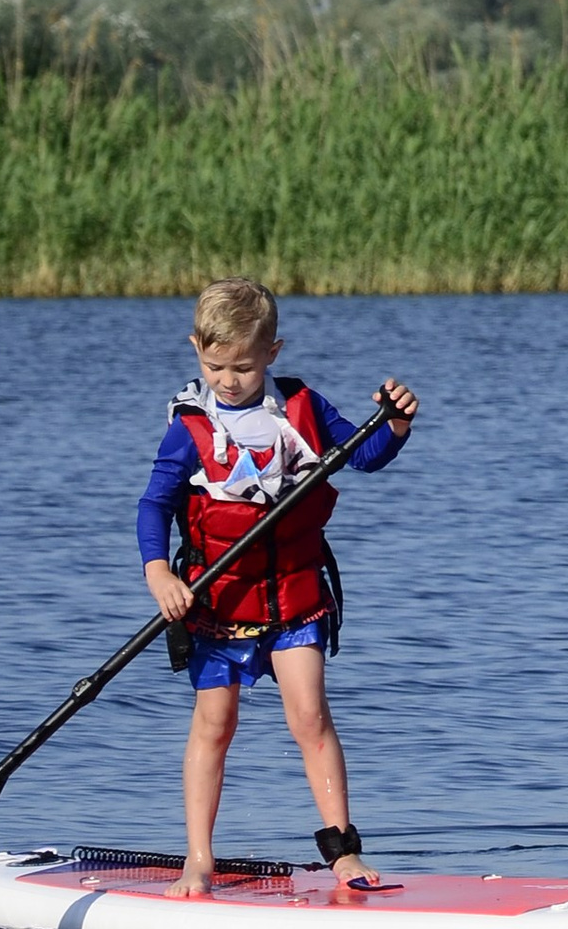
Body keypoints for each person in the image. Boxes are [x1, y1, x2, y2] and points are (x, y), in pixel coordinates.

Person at [138, 278, 419, 895]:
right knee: (215, 723)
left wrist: (395, 426)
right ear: (195, 349)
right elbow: (153, 507)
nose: (228, 379)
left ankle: (342, 852)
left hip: (295, 597)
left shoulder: (303, 409)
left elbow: (362, 454)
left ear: (273, 351)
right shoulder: (189, 430)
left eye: (242, 365)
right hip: (218, 606)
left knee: (311, 715)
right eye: (215, 365)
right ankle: (199, 858)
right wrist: (159, 573)